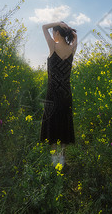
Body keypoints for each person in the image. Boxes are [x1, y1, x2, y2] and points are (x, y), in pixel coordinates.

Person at [40, 21, 77, 165]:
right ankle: (63, 157)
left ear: (56, 33)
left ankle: (55, 159)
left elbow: (43, 27)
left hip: (53, 92)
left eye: (54, 32)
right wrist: (69, 30)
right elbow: (74, 37)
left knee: (52, 122)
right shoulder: (72, 48)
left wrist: (58, 23)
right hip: (66, 92)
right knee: (65, 121)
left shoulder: (53, 46)